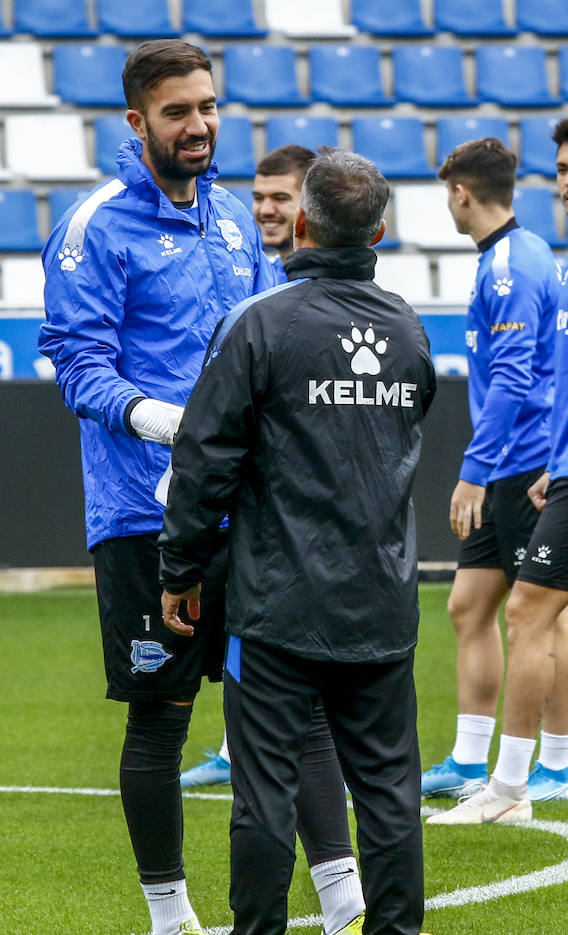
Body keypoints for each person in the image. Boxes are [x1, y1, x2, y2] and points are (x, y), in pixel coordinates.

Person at [36, 40, 309, 935]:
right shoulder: (93, 226)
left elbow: (264, 346)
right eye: (178, 112)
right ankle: (169, 913)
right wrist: (164, 419)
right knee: (160, 718)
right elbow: (78, 366)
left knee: (289, 707)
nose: (199, 125)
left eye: (207, 106)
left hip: (246, 508)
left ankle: (343, 894)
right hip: (142, 513)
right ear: (135, 122)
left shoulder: (234, 217)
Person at [159, 149, 436, 935]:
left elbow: (204, 457)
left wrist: (180, 566)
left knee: (265, 793)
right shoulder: (408, 327)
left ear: (303, 221)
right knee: (388, 792)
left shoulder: (260, 321)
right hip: (381, 600)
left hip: (277, 604)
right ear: (378, 229)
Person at [430, 112, 568, 824]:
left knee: (534, 612)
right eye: (562, 170)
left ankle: (518, 782)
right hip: (558, 462)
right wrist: (559, 461)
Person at [420, 138, 568, 800]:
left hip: (523, 459)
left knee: (545, 614)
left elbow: (512, 377)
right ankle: (466, 757)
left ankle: (556, 765)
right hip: (513, 454)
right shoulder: (516, 254)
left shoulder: (510, 264)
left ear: (461, 193)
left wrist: (475, 468)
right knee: (467, 605)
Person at [181, 142, 317, 788]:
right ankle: (242, 744)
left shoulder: (315, 290)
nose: (265, 209)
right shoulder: (253, 274)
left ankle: (303, 755)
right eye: (259, 197)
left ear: (310, 207)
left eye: (281, 198)